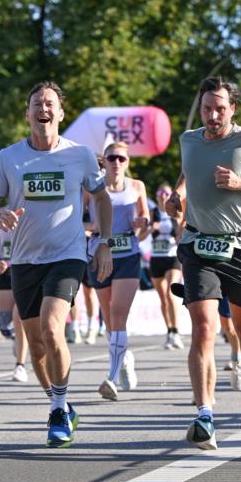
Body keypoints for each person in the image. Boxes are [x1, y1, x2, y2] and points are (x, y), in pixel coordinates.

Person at [0, 80, 112, 446]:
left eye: (50, 103)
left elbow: (102, 199)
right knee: (36, 347)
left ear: (60, 113)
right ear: (28, 114)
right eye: (37, 103)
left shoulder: (80, 155)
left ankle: (58, 409)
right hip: (23, 260)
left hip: (66, 256)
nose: (44, 108)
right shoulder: (9, 157)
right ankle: (60, 405)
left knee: (54, 330)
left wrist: (103, 244)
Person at [166, 76, 241, 450]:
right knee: (203, 327)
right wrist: (177, 195)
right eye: (206, 108)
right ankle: (204, 415)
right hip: (197, 243)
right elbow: (186, 172)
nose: (213, 115)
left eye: (220, 108)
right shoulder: (189, 140)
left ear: (232, 108)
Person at [85, 140, 149, 401]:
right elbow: (82, 220)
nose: (116, 163)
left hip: (128, 254)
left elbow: (144, 228)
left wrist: (142, 224)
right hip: (99, 253)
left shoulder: (137, 187)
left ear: (128, 162)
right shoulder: (92, 187)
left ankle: (110, 376)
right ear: (105, 160)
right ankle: (125, 359)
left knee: (118, 312)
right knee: (109, 319)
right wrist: (93, 227)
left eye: (122, 159)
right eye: (111, 158)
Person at [0, 224, 29, 382]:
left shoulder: (33, 210)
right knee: (6, 327)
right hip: (3, 270)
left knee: (20, 317)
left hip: (28, 268)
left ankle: (20, 365)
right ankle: (18, 340)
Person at [150, 183, 184, 350]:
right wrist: (148, 228)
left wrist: (180, 234)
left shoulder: (176, 212)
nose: (163, 195)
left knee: (171, 293)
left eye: (166, 193)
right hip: (156, 258)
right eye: (160, 192)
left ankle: (176, 332)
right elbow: (143, 234)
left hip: (172, 257)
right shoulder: (154, 212)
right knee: (163, 298)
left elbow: (183, 228)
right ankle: (169, 331)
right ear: (157, 196)